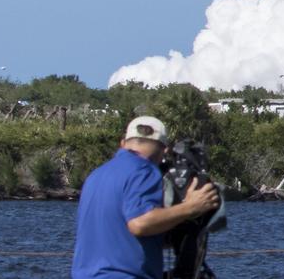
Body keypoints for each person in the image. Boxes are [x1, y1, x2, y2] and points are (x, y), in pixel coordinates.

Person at [72, 116, 220, 279]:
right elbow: (139, 224)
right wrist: (191, 208)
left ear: (123, 143)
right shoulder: (144, 170)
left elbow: (119, 233)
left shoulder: (96, 175)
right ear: (164, 150)